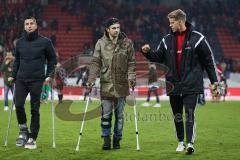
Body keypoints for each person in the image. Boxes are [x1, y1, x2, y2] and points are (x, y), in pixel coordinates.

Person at [141, 9, 219, 154]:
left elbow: (209, 61)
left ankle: (190, 143)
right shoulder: (166, 40)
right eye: (169, 22)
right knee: (177, 115)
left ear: (181, 22)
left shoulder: (198, 38)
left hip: (191, 84)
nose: (170, 25)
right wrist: (147, 52)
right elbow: (157, 57)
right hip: (173, 84)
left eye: (172, 22)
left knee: (189, 114)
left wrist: (214, 81)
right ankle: (181, 142)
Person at [87, 17, 136, 150]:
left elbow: (131, 62)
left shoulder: (127, 43)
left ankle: (117, 140)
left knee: (119, 116)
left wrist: (132, 77)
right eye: (113, 28)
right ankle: (106, 139)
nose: (116, 30)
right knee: (106, 115)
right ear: (107, 29)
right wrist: (91, 79)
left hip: (122, 84)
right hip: (106, 84)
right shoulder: (100, 43)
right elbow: (96, 62)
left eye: (118, 27)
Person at [9, 16, 57, 149]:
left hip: (37, 80)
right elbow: (17, 61)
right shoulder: (19, 43)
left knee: (34, 109)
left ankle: (32, 138)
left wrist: (49, 75)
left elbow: (52, 59)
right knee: (18, 105)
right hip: (21, 79)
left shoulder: (45, 42)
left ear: (36, 26)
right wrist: (13, 75)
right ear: (24, 27)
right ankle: (23, 132)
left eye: (31, 23)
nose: (29, 26)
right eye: (27, 24)